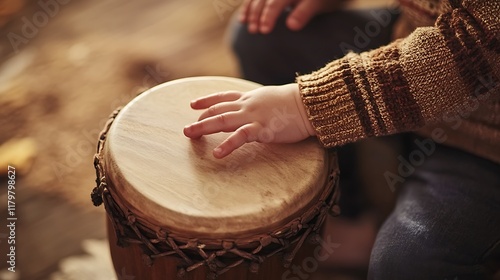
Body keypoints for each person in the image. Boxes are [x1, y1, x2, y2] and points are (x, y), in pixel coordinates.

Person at [184, 0, 500, 278]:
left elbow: (471, 53)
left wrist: (305, 105)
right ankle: (346, 215)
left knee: (407, 263)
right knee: (261, 34)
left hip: (483, 148)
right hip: (410, 37)